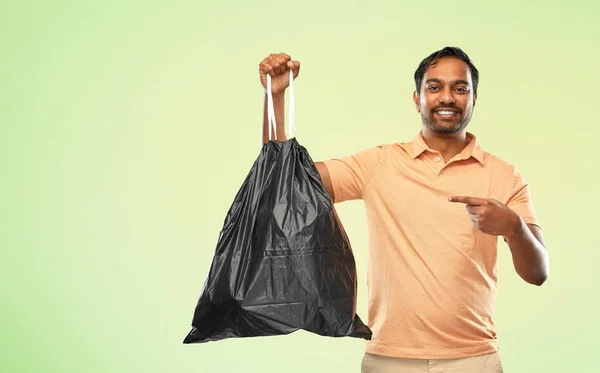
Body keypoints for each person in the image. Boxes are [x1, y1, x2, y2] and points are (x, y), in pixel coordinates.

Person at [257, 47, 549, 373]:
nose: (447, 97)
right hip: (388, 359)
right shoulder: (380, 164)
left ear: (474, 98)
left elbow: (537, 273)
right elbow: (283, 180)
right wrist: (275, 99)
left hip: (473, 360)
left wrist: (514, 228)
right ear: (417, 98)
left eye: (460, 88)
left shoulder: (504, 175)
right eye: (434, 87)